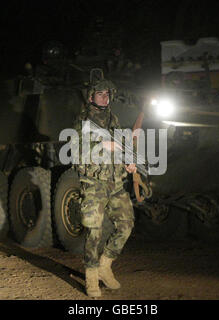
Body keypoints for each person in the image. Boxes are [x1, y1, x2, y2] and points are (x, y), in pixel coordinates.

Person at [73, 79, 137, 297]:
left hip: (116, 182)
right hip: (94, 183)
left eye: (107, 94)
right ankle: (91, 277)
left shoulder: (113, 119)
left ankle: (105, 266)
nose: (105, 98)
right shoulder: (82, 120)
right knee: (94, 231)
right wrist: (101, 144)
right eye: (100, 94)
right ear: (91, 96)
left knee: (126, 225)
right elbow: (75, 149)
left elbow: (121, 144)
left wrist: (129, 160)